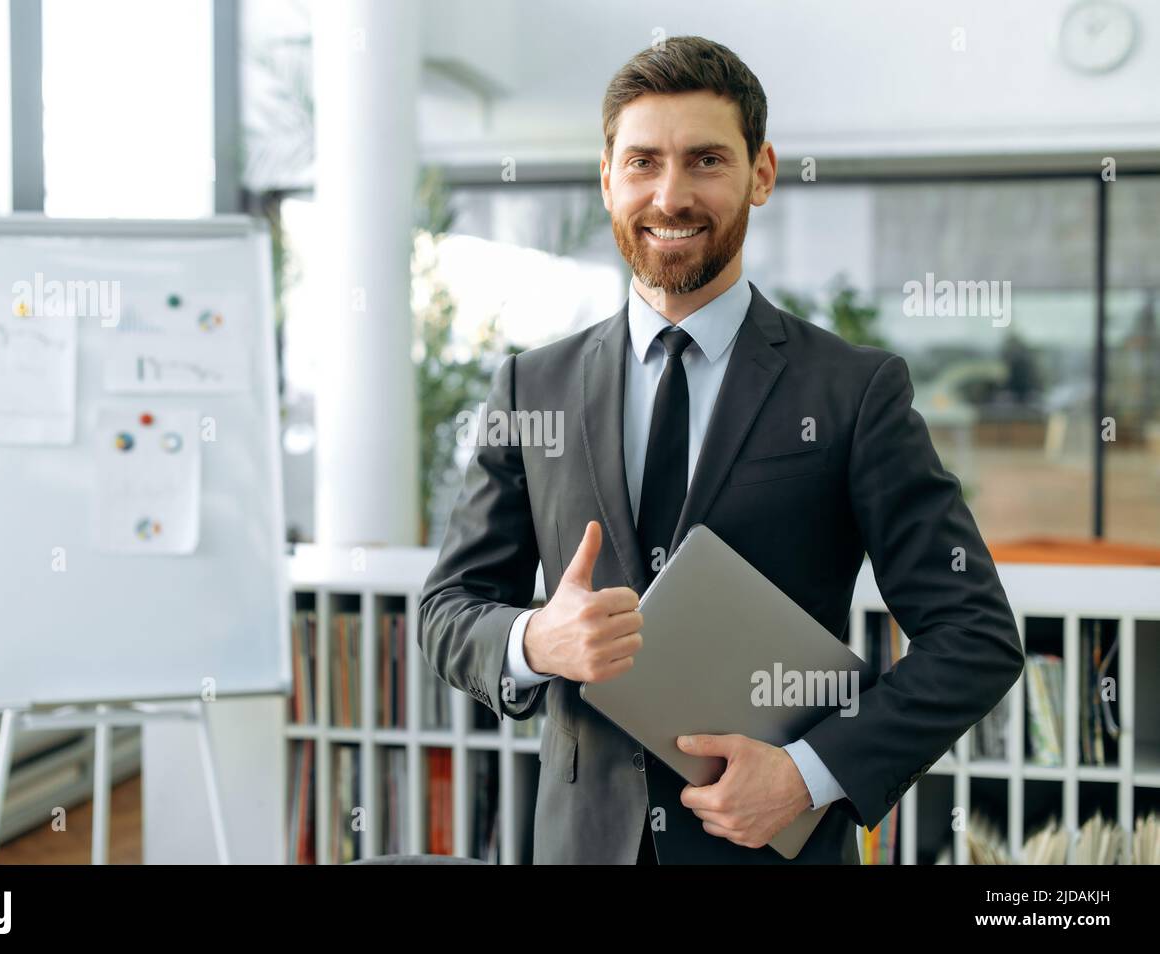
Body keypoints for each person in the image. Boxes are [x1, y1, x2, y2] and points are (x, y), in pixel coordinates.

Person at [418, 35, 1024, 864]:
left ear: (762, 172)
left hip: (775, 848)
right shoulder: (533, 388)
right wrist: (534, 640)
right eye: (642, 163)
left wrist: (808, 774)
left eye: (705, 160)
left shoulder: (852, 391)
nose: (670, 196)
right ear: (607, 177)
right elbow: (448, 608)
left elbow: (974, 633)